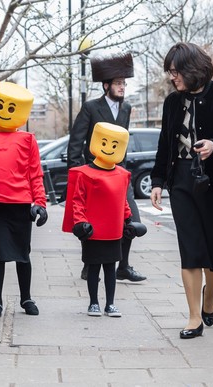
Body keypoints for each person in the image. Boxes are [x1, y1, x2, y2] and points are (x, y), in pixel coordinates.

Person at [150, 42, 213, 339]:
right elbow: (165, 142)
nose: (172, 78)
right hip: (182, 180)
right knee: (190, 250)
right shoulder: (172, 102)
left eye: (175, 72)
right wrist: (158, 181)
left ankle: (209, 294)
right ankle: (193, 317)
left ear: (192, 69)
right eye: (170, 72)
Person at [0, 82, 48, 318]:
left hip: (21, 206)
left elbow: (35, 173)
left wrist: (40, 204)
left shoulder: (27, 140)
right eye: (1, 105)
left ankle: (26, 298)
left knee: (23, 254)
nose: (5, 110)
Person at [67, 52, 146, 282]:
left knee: (131, 221)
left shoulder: (127, 108)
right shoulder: (91, 108)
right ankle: (88, 266)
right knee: (91, 223)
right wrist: (78, 172)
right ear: (106, 85)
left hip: (119, 175)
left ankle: (124, 265)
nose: (123, 87)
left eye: (124, 83)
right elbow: (76, 142)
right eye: (119, 83)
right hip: (94, 175)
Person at [63, 122, 147, 317]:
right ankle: (93, 303)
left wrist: (129, 220)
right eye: (105, 142)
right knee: (93, 269)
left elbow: (123, 202)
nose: (109, 148)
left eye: (115, 145)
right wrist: (80, 222)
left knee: (111, 268)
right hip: (92, 231)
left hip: (113, 231)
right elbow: (78, 201)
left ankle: (110, 304)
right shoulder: (84, 173)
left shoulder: (123, 175)